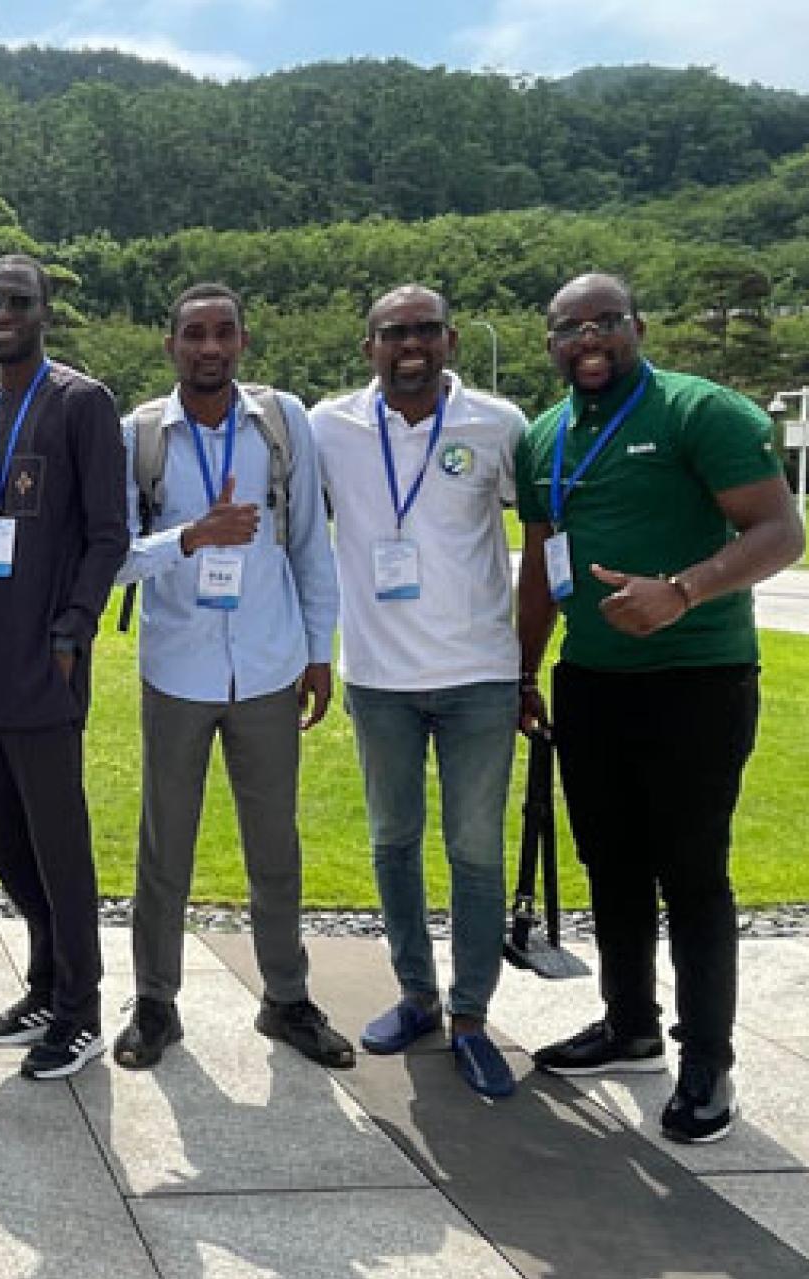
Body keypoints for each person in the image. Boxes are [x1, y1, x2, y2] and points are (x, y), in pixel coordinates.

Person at [516, 272, 802, 1143]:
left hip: (697, 677)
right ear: (553, 343)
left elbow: (780, 531)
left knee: (691, 869)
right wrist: (524, 672)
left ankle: (706, 1060)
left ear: (638, 325)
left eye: (605, 322)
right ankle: (629, 1022)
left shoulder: (697, 411)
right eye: (570, 327)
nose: (589, 338)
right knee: (610, 861)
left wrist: (683, 590)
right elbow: (538, 566)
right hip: (593, 681)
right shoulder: (545, 437)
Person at [112, 282, 354, 1072]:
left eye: (223, 333)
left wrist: (321, 651)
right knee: (164, 846)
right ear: (170, 345)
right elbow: (111, 560)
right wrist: (191, 535)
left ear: (243, 341)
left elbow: (312, 542)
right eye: (194, 335)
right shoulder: (140, 435)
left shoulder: (282, 423)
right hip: (177, 670)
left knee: (274, 843)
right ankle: (155, 1002)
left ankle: (285, 996)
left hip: (269, 664)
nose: (208, 347)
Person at [310, 285, 529, 1098]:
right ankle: (416, 995)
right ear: (367, 344)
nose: (412, 344)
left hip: (478, 674)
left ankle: (471, 1017)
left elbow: (545, 536)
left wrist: (533, 661)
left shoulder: (498, 425)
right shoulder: (330, 425)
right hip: (380, 678)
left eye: (426, 330)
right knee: (393, 840)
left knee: (475, 850)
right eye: (394, 332)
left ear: (452, 338)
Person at [0, 255, 128, 1081]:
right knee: (9, 841)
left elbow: (107, 533)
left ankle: (83, 1009)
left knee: (60, 844)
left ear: (44, 310)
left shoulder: (82, 403)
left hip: (45, 661)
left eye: (17, 301)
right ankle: (46, 981)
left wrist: (73, 627)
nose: (2, 314)